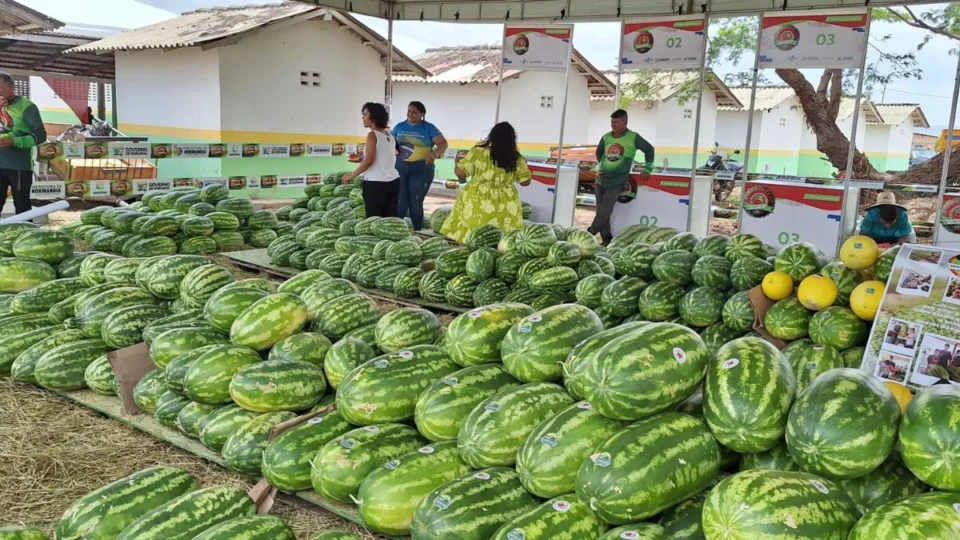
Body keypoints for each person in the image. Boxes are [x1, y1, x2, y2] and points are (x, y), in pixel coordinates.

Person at [440, 122, 530, 244]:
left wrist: (457, 162)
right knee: (504, 235)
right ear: (512, 139)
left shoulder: (477, 152)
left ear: (491, 136)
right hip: (506, 201)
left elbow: (461, 174)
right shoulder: (516, 158)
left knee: (474, 232)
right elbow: (525, 182)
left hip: (478, 197)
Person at [590, 109, 655, 245]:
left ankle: (589, 233)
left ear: (625, 122)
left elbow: (649, 149)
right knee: (601, 211)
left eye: (616, 122)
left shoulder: (633, 137)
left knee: (605, 211)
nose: (613, 125)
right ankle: (606, 238)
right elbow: (599, 152)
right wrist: (603, 165)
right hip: (600, 179)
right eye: (612, 122)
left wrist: (648, 168)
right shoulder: (606, 137)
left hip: (617, 181)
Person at [393, 101, 448, 230]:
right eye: (409, 111)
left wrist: (434, 154)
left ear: (422, 114)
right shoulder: (399, 126)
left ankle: (417, 231)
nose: (410, 114)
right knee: (401, 201)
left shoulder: (429, 128)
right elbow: (391, 143)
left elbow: (443, 144)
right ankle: (395, 229)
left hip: (421, 168)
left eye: (414, 112)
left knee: (415, 202)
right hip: (400, 167)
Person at [342, 103, 400, 218]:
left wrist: (352, 175)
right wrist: (362, 159)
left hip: (376, 184)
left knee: (374, 220)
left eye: (365, 115)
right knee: (388, 220)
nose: (363, 118)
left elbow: (369, 160)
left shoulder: (372, 135)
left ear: (374, 117)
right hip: (394, 182)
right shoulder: (389, 136)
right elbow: (382, 157)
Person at [0, 72, 45, 215]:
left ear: (12, 87)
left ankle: (25, 228)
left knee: (21, 204)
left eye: (0, 88)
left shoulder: (27, 107)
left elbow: (40, 136)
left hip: (18, 166)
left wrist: (15, 141)